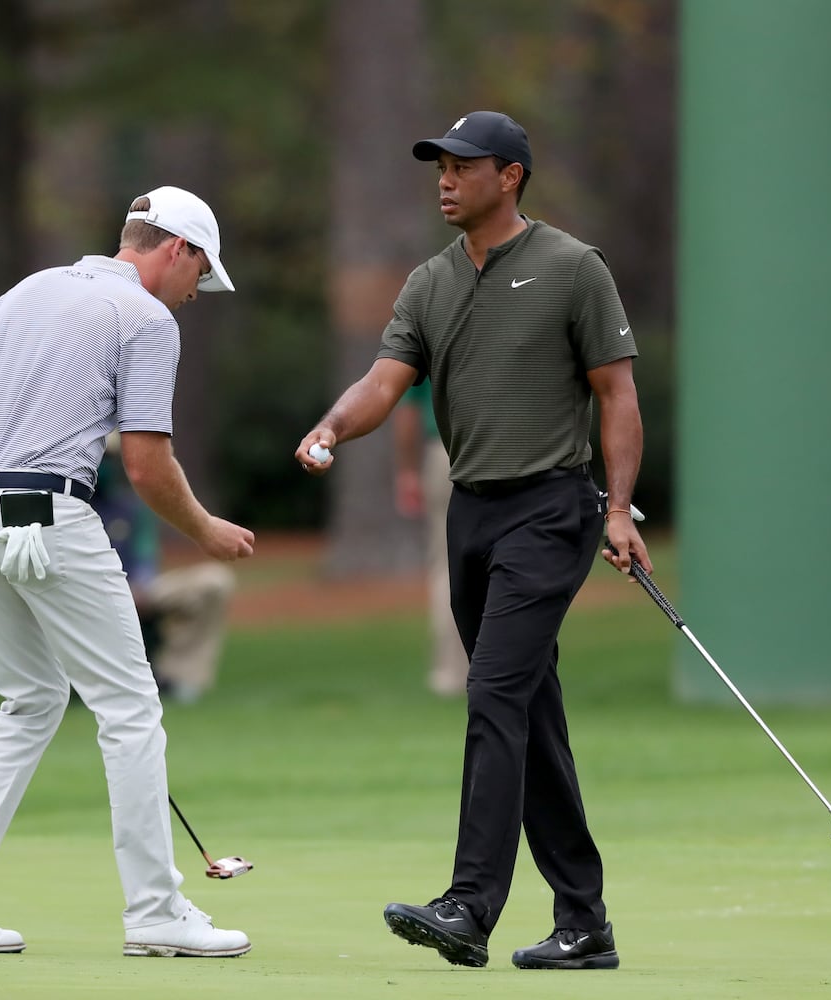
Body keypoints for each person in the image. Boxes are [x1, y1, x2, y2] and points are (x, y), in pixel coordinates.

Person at [297, 111, 650, 972]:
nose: (446, 181)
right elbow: (385, 381)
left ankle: (470, 904)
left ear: (510, 175)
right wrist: (334, 426)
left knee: (493, 690)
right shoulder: (430, 281)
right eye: (440, 168)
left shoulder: (573, 267)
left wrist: (617, 510)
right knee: (528, 708)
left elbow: (617, 395)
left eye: (462, 166)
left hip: (552, 509)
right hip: (472, 514)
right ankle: (585, 922)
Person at [0, 186, 255, 958]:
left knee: (30, 701)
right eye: (200, 274)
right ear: (177, 249)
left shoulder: (24, 292)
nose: (196, 293)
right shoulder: (147, 318)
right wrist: (207, 530)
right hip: (48, 511)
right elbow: (147, 465)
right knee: (131, 708)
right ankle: (156, 911)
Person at [92, 432, 237, 703]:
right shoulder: (64, 506)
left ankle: (177, 679)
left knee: (214, 582)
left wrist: (140, 584)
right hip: (85, 594)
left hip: (136, 590)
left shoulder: (131, 508)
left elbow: (145, 556)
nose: (103, 466)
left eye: (109, 459)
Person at [394, 379, 471, 696]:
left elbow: (407, 409)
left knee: (447, 565)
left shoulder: (427, 344)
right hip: (500, 450)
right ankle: (502, 668)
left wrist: (407, 470)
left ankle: (452, 672)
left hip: (444, 451)